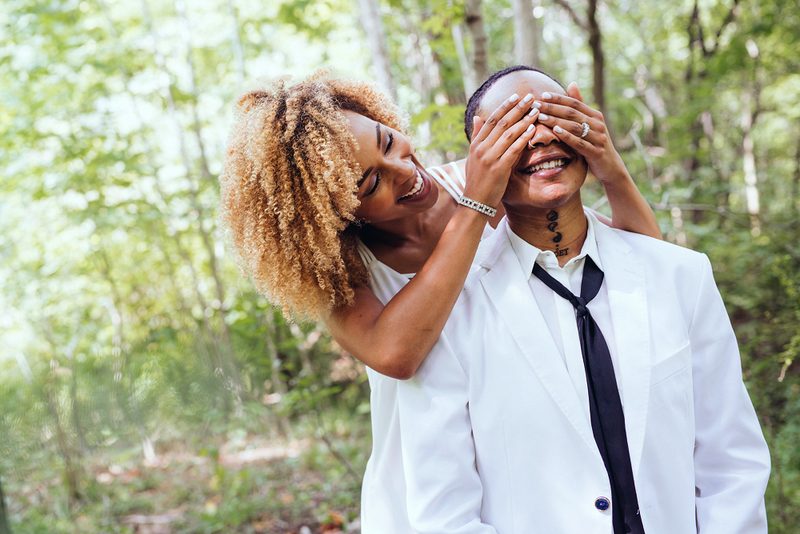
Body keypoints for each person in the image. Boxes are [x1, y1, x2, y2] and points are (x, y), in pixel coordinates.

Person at [218, 70, 660, 533]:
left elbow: (645, 267)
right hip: (425, 495)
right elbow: (397, 354)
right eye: (372, 184)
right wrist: (477, 206)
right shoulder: (343, 276)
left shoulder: (480, 180)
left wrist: (609, 166)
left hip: (526, 466)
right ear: (334, 212)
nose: (406, 174)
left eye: (389, 143)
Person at [395, 66, 771, 533]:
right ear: (480, 160)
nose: (541, 139)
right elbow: (444, 514)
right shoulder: (450, 315)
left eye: (556, 117)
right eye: (514, 128)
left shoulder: (681, 276)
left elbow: (730, 463)